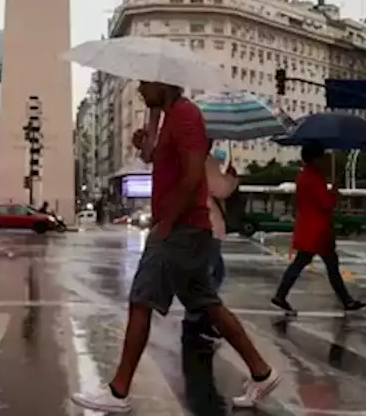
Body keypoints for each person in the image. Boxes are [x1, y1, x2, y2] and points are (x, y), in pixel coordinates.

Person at [71, 82, 279, 412]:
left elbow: (194, 173)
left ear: (163, 83)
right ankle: (261, 371)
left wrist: (167, 221)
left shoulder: (185, 115)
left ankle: (119, 391)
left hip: (180, 228)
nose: (139, 89)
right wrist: (147, 139)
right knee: (208, 304)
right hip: (184, 227)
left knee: (141, 300)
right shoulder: (170, 116)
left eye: (145, 84)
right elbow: (157, 159)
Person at [271, 143, 366, 315]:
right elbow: (326, 204)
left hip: (309, 228)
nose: (325, 160)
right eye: (322, 157)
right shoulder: (315, 178)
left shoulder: (303, 175)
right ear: (315, 158)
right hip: (318, 231)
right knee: (326, 266)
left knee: (312, 264)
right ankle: (346, 301)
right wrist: (334, 192)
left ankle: (346, 300)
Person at [182, 146, 239, 347]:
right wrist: (232, 178)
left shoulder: (188, 157)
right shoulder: (206, 160)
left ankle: (199, 320)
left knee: (212, 274)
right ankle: (196, 320)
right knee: (209, 278)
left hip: (197, 225)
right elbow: (220, 189)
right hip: (209, 225)